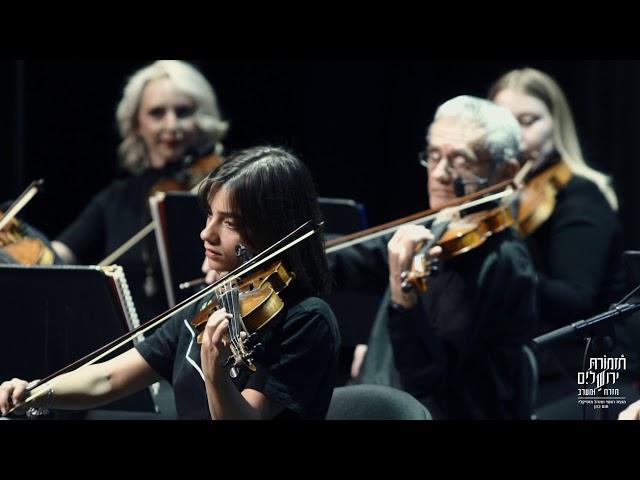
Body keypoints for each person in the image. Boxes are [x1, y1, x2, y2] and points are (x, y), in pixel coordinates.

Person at [0, 146, 340, 420]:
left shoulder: (306, 320)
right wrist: (37, 392)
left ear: (272, 229)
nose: (206, 233)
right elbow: (108, 379)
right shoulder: (212, 302)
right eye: (210, 215)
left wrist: (215, 376)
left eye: (229, 223)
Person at [331, 96, 538, 419]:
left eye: (460, 161)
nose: (440, 173)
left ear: (505, 171)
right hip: (384, 396)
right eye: (434, 156)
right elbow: (350, 256)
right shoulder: (440, 224)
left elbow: (426, 377)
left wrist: (404, 301)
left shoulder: (503, 261)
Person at [489, 68, 629, 400]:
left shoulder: (582, 197)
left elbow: (575, 300)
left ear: (556, 123)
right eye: (506, 125)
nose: (519, 138)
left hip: (587, 376)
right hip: (528, 366)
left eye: (528, 120)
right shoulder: (501, 199)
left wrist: (502, 257)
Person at [52, 60, 229, 321]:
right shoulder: (116, 198)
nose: (171, 126)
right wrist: (20, 243)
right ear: (137, 124)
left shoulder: (222, 186)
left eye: (183, 112)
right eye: (157, 113)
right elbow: (59, 254)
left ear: (201, 119)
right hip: (128, 342)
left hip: (200, 334)